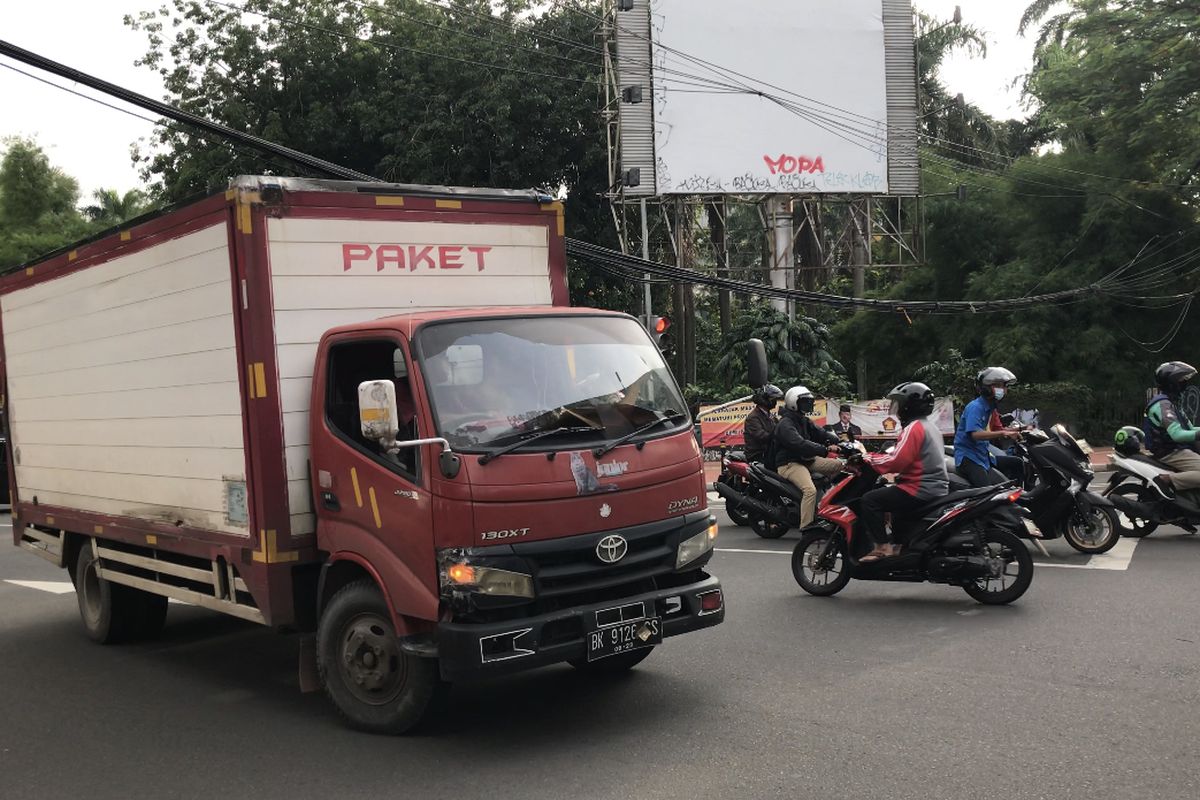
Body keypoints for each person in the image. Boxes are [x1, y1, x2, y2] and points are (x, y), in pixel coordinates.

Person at [859, 382, 950, 562]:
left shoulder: (914, 428)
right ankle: (900, 545)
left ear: (909, 406)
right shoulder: (930, 427)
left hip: (919, 488)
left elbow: (897, 461)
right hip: (934, 486)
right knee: (893, 495)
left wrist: (867, 458)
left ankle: (882, 547)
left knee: (870, 500)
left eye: (898, 404)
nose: (896, 408)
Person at [774, 385, 843, 528]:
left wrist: (841, 441)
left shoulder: (803, 420)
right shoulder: (785, 424)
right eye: (804, 403)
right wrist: (824, 449)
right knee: (809, 490)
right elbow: (799, 444)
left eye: (809, 403)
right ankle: (806, 527)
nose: (808, 405)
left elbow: (820, 433)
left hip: (806, 459)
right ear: (794, 404)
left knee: (841, 465)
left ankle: (826, 503)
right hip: (790, 463)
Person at [954, 366, 1022, 487]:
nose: (1004, 390)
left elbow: (997, 429)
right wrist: (1003, 433)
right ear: (986, 388)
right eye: (999, 386)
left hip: (982, 454)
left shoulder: (990, 407)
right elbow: (975, 434)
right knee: (987, 492)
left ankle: (1021, 496)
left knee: (1017, 463)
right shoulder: (976, 407)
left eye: (1005, 386)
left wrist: (1021, 430)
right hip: (969, 458)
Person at [1144, 361, 1200, 496]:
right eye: (1182, 381)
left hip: (1178, 448)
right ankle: (1168, 479)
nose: (1184, 385)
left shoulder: (1173, 403)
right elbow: (1177, 435)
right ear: (1172, 383)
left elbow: (1191, 428)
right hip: (1170, 451)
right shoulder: (1163, 405)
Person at [743, 384, 783, 463]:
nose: (775, 401)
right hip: (758, 455)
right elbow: (762, 436)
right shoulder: (753, 418)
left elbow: (779, 428)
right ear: (764, 399)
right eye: (773, 399)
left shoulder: (769, 415)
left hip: (769, 452)